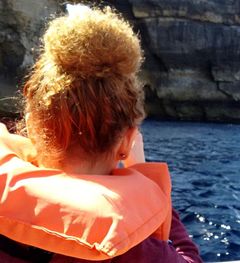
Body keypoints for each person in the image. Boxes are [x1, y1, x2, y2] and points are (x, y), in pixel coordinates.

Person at [0, 5, 202, 263]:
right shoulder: (139, 251)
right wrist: (145, 176)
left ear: (31, 124)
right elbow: (189, 258)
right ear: (127, 141)